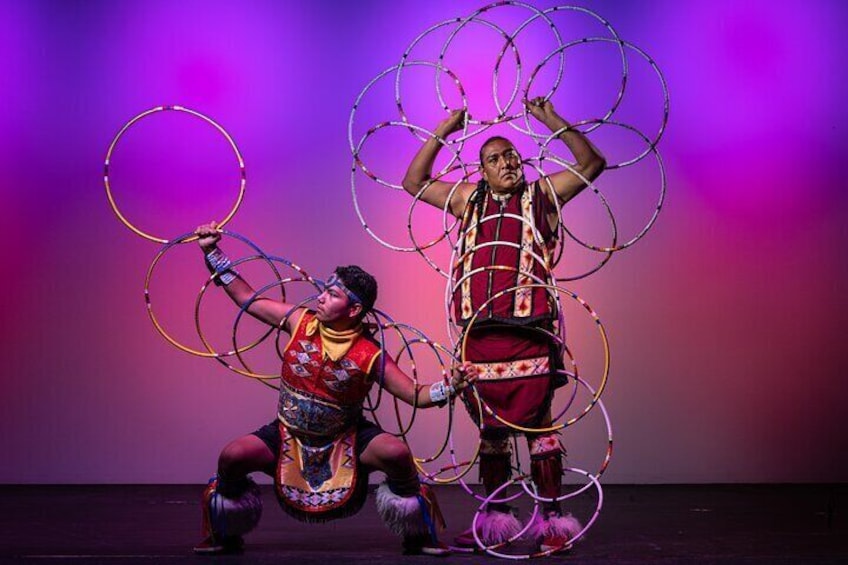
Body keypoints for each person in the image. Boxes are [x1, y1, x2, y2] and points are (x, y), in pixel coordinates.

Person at [191, 221, 476, 556]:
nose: (321, 297)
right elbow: (245, 298)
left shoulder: (371, 354)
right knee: (233, 456)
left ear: (354, 309)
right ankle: (225, 533)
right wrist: (212, 251)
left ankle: (418, 534)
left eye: (332, 294)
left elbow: (415, 395)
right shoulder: (300, 321)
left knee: (397, 454)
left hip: (346, 437)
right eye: (324, 290)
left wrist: (452, 385)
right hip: (289, 434)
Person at [401, 98, 606, 552]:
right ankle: (494, 521)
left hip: (528, 331)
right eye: (494, 158)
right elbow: (412, 181)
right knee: (491, 431)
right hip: (480, 333)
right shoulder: (467, 199)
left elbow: (593, 163)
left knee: (538, 425)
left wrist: (550, 119)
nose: (507, 162)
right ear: (482, 172)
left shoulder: (542, 195)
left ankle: (552, 525)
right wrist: (444, 129)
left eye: (512, 155)